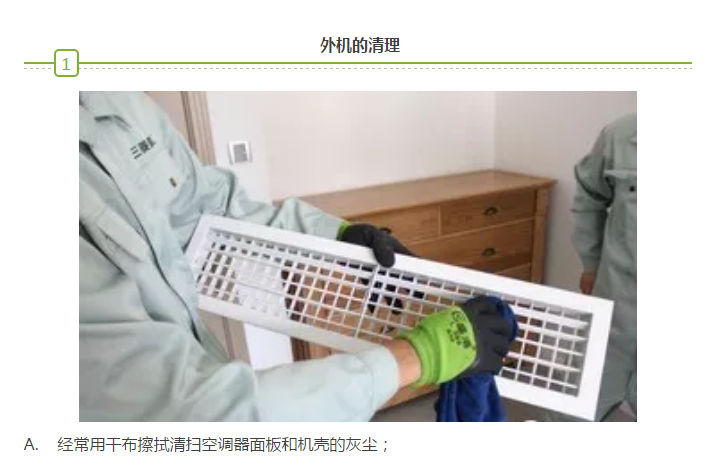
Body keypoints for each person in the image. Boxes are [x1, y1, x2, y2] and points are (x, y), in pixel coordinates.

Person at [80, 91, 514, 422]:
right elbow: (194, 414)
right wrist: (416, 357)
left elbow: (211, 204)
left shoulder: (116, 97)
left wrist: (335, 236)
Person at [555, 114, 637, 421]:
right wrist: (590, 264)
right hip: (615, 299)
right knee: (574, 406)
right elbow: (589, 200)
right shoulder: (620, 135)